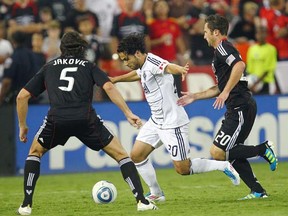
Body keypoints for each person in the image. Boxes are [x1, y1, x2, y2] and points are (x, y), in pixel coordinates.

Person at [16, 31, 158, 215]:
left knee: (35, 152)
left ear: (62, 48)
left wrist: (22, 125)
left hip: (57, 119)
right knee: (122, 155)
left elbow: (22, 96)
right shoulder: (88, 66)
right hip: (86, 119)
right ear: (82, 48)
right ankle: (141, 201)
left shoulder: (49, 67)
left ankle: (26, 205)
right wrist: (127, 112)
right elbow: (108, 86)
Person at [110, 33, 240, 203]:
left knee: (183, 169)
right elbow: (139, 74)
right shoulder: (143, 66)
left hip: (173, 123)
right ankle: (156, 192)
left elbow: (168, 66)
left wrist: (180, 69)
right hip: (156, 121)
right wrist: (116, 79)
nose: (125, 63)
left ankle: (223, 166)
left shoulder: (153, 61)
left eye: (126, 59)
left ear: (137, 53)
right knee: (136, 155)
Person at [177, 14, 278, 200]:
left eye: (206, 32)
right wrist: (196, 96)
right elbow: (219, 87)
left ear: (216, 32)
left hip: (240, 106)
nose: (204, 35)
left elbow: (240, 65)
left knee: (218, 152)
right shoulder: (220, 52)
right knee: (230, 151)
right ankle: (257, 190)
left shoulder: (223, 47)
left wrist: (226, 93)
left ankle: (262, 149)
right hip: (239, 106)